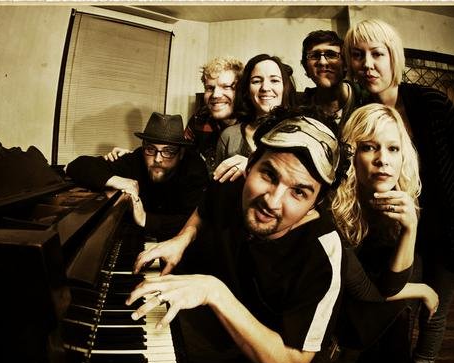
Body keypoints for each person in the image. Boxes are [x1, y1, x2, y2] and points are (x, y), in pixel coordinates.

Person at [126, 110, 425, 363]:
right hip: (213, 355)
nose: (272, 201)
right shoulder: (234, 185)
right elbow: (207, 206)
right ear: (250, 165)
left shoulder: (322, 252)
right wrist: (183, 238)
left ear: (316, 202)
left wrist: (214, 292)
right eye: (268, 175)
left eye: (299, 192)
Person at [344, 18, 454, 363]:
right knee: (404, 304)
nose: (367, 64)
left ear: (394, 57)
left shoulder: (430, 102)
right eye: (357, 55)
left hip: (452, 227)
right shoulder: (361, 113)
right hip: (408, 230)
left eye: (377, 54)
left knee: (434, 312)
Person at [331, 103, 438, 363]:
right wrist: (422, 290)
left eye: (393, 149)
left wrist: (410, 227)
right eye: (369, 147)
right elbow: (364, 290)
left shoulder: (402, 200)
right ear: (351, 155)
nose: (383, 160)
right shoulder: (334, 210)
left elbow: (391, 285)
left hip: (388, 319)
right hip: (351, 328)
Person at [66, 112, 209, 241]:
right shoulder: (136, 158)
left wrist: (145, 218)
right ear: (143, 146)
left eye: (168, 151)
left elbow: (196, 220)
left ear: (181, 153)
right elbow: (77, 166)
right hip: (136, 238)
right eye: (151, 149)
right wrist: (119, 181)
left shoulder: (194, 169)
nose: (158, 159)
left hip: (179, 244)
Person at [104, 56, 244, 176]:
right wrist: (137, 158)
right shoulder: (200, 118)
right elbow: (177, 154)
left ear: (241, 91)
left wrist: (250, 164)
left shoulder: (252, 123)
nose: (215, 95)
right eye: (210, 88)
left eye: (226, 87)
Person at [213, 54, 297, 183]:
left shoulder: (300, 132)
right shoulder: (229, 136)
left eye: (274, 80)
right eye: (256, 81)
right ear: (247, 90)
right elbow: (217, 186)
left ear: (285, 87)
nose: (265, 88)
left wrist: (252, 167)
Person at [300, 30, 365, 135]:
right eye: (314, 55)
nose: (322, 62)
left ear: (345, 64)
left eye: (331, 55)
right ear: (306, 68)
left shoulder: (365, 99)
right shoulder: (300, 109)